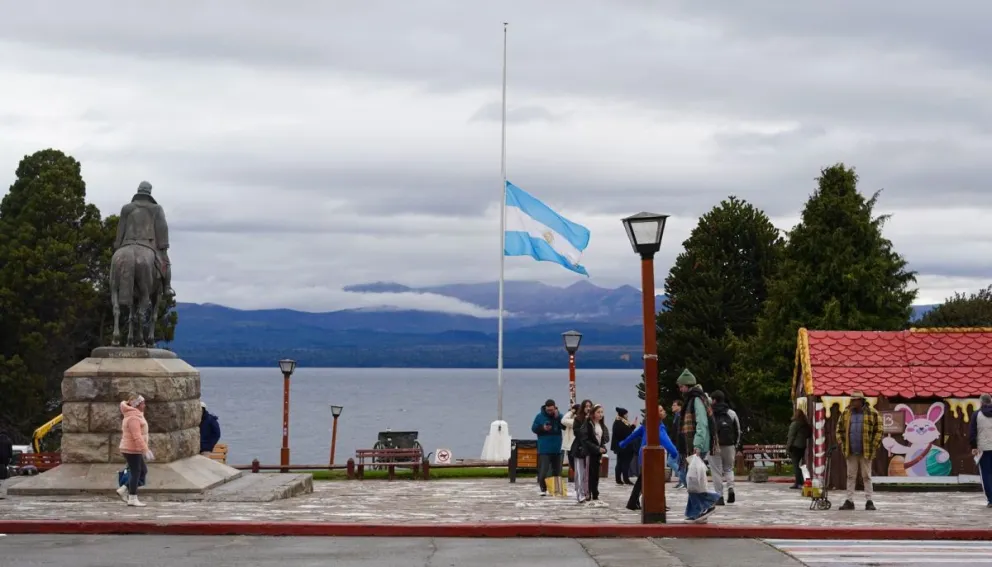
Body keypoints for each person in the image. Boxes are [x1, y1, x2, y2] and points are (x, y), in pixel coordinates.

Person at [115, 181, 174, 297]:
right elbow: (162, 227)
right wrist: (163, 246)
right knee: (165, 262)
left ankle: (113, 280)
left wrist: (117, 244)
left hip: (127, 243)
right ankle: (167, 288)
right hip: (148, 243)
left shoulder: (126, 208)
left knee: (116, 260)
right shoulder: (156, 209)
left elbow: (120, 228)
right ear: (149, 192)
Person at [676, 368, 721, 522]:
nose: (680, 389)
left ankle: (710, 500)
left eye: (681, 386)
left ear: (687, 385)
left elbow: (702, 423)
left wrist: (697, 444)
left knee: (687, 477)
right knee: (691, 478)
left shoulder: (696, 400)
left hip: (695, 445)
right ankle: (694, 512)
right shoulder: (694, 399)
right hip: (692, 445)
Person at [618, 403, 679, 511]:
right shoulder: (658, 427)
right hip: (653, 456)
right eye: (661, 410)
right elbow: (666, 441)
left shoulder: (645, 425)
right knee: (655, 481)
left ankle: (633, 502)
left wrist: (623, 443)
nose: (664, 411)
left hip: (644, 455)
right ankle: (656, 503)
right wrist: (675, 453)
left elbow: (633, 435)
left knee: (642, 480)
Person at [835, 390, 883, 511]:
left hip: (866, 450)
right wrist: (841, 442)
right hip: (850, 450)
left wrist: (874, 445)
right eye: (852, 399)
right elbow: (838, 429)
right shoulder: (846, 413)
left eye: (855, 400)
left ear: (861, 400)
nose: (852, 401)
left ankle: (869, 500)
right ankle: (849, 500)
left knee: (866, 476)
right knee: (850, 476)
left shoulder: (873, 413)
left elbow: (879, 430)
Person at [117, 394, 152, 507]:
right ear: (137, 405)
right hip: (131, 449)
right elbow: (136, 436)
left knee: (142, 471)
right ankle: (132, 497)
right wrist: (145, 449)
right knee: (136, 472)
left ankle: (124, 489)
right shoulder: (133, 418)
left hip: (134, 449)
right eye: (142, 403)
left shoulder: (136, 415)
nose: (144, 405)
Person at [708, 390, 740, 505]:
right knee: (729, 468)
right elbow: (737, 430)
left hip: (714, 446)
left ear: (714, 400)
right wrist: (735, 444)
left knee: (716, 472)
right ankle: (730, 488)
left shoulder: (709, 413)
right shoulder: (731, 413)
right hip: (729, 445)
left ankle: (719, 496)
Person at [531, 399, 564, 496]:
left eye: (552, 410)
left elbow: (565, 427)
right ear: (545, 408)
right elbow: (533, 428)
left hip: (557, 448)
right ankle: (543, 489)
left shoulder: (559, 416)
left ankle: (557, 489)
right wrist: (543, 428)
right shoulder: (539, 416)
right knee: (544, 470)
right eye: (548, 410)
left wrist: (558, 418)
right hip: (544, 448)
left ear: (555, 408)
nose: (550, 412)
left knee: (557, 471)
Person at [571, 399, 598, 503]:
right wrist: (586, 421)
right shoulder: (578, 419)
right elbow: (578, 433)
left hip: (590, 449)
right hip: (579, 448)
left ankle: (588, 492)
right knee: (580, 472)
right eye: (586, 406)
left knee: (589, 473)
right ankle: (580, 493)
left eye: (590, 406)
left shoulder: (594, 420)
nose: (588, 408)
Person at [969, 393, 992, 508]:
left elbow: (972, 432)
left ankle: (991, 500)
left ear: (981, 402)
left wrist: (973, 446)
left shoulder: (976, 414)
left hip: (983, 449)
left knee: (986, 475)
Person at [786, 407, 812, 489]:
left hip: (795, 446)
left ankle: (797, 483)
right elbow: (809, 434)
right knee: (800, 465)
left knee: (795, 465)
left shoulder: (795, 424)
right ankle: (801, 481)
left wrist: (788, 447)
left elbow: (791, 436)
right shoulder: (805, 424)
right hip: (802, 446)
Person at [588, 404, 610, 501]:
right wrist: (596, 448)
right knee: (589, 473)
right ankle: (588, 491)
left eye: (602, 412)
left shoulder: (601, 425)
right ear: (593, 413)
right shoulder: (589, 424)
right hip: (589, 452)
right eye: (598, 412)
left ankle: (595, 492)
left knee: (596, 474)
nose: (600, 414)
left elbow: (604, 439)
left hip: (598, 453)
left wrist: (603, 448)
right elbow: (586, 439)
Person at [611, 407, 636, 485]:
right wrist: (633, 427)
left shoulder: (620, 422)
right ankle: (625, 479)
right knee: (625, 463)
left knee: (620, 462)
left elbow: (626, 431)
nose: (627, 415)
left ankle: (619, 479)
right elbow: (625, 434)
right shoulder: (619, 423)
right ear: (623, 414)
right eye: (626, 414)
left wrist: (632, 426)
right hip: (624, 446)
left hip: (621, 446)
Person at [561, 403, 580, 482]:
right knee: (573, 465)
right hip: (570, 446)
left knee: (576, 466)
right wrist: (572, 413)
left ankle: (579, 480)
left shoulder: (575, 421)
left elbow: (563, 420)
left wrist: (571, 412)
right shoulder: (572, 419)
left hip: (574, 446)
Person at [671, 400, 687, 488]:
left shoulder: (680, 416)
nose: (672, 407)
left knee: (672, 461)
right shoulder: (676, 416)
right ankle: (682, 481)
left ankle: (683, 480)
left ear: (679, 406)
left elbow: (679, 431)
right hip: (676, 443)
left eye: (674, 405)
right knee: (679, 462)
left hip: (679, 443)